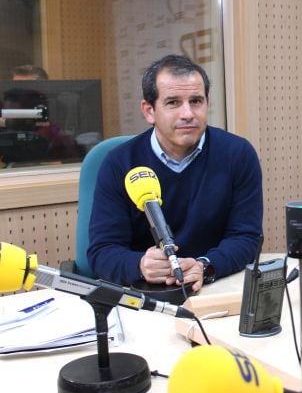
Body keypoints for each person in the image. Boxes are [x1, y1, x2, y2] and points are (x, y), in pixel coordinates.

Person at [87, 54, 263, 292]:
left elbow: (246, 237)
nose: (188, 113)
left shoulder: (238, 154)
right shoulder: (119, 163)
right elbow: (102, 251)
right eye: (173, 103)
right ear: (149, 111)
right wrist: (139, 265)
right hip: (144, 294)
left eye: (196, 101)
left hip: (214, 287)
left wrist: (205, 266)